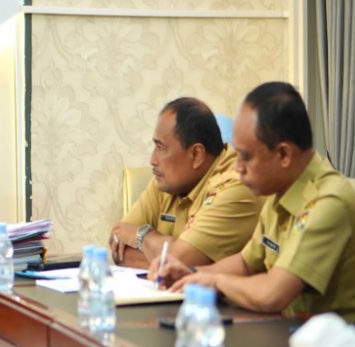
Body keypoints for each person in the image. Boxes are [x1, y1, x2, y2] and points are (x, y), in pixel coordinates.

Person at [150, 82, 355, 333]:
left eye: (246, 156)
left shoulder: (327, 202)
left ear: (283, 155)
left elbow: (273, 294)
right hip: (294, 332)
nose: (237, 167)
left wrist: (215, 281)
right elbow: (247, 263)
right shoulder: (282, 189)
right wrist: (191, 273)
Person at [109, 97, 262, 268]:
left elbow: (177, 262)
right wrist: (171, 249)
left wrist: (142, 235)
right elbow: (119, 248)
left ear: (196, 155)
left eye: (161, 148)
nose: (153, 160)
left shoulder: (237, 188)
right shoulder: (165, 180)